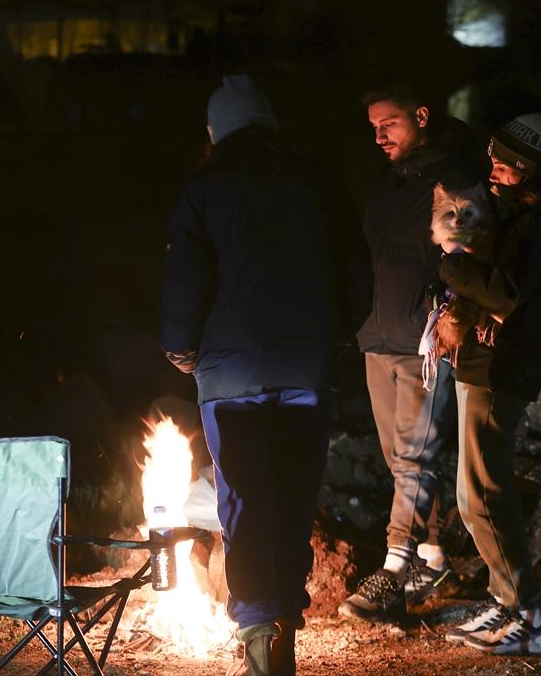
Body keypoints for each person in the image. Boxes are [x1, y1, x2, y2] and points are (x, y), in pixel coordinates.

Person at [161, 75, 368, 676]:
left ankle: (260, 635)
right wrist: (336, 331)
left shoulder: (203, 192)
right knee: (293, 499)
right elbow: (356, 271)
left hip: (230, 381)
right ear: (270, 127)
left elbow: (184, 285)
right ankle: (283, 632)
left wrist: (181, 350)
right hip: (306, 370)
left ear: (213, 134)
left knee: (245, 504)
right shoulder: (319, 184)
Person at [434, 113, 541, 655]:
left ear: (529, 171)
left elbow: (505, 291)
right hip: (483, 362)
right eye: (493, 157)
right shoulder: (519, 215)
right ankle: (505, 604)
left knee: (485, 496)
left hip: (503, 367)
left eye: (504, 163)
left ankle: (530, 619)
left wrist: (452, 265)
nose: (492, 168)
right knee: (469, 493)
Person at [338, 84, 482, 621]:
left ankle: (394, 568)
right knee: (402, 458)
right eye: (373, 125)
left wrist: (451, 316)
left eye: (390, 123)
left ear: (421, 116)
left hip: (423, 343)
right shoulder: (391, 184)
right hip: (379, 338)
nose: (379, 135)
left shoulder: (452, 178)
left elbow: (464, 257)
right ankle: (431, 554)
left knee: (415, 457)